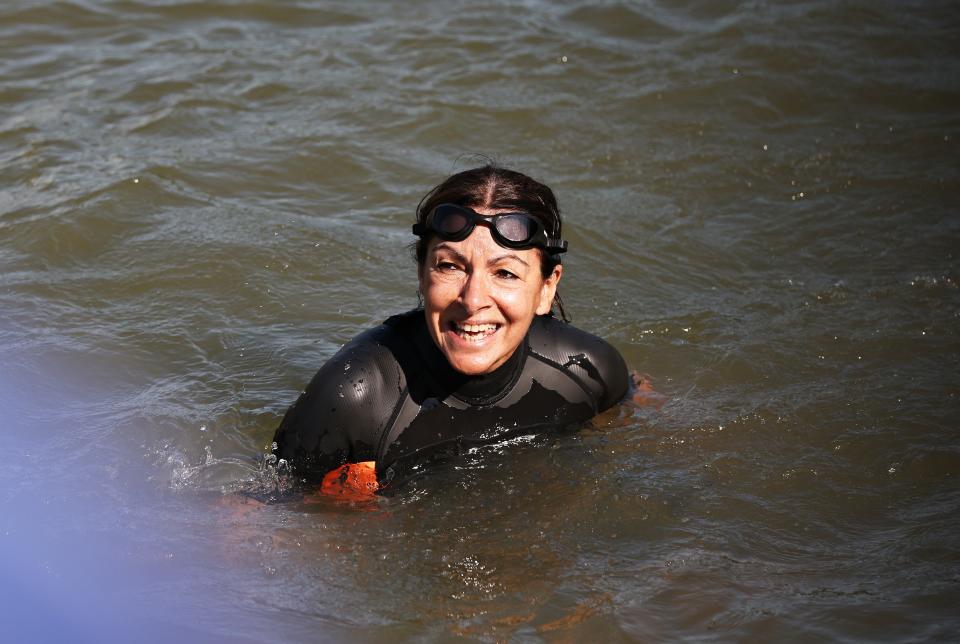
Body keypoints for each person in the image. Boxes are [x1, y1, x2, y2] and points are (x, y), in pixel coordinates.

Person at [272, 165, 633, 499]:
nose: (473, 300)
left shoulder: (590, 372)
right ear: (422, 274)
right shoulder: (355, 400)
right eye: (450, 266)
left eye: (505, 273)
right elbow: (264, 515)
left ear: (546, 289)